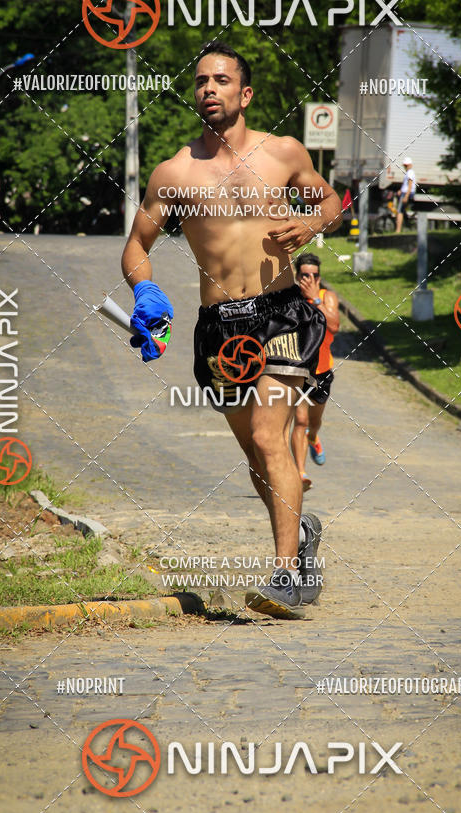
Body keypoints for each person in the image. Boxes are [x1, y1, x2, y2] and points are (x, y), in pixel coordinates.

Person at [121, 41, 341, 619]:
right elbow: (137, 246)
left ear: (245, 94)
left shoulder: (283, 152)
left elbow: (330, 200)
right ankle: (302, 534)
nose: (208, 89)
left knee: (270, 438)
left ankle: (285, 574)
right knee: (255, 455)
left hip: (282, 313)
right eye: (200, 81)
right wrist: (145, 292)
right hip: (221, 330)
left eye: (220, 80)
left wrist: (312, 223)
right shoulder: (175, 173)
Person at [291, 253, 340, 492]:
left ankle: (313, 438)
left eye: (314, 275)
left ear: (319, 277)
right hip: (298, 369)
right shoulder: (291, 299)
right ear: (297, 276)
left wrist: (315, 300)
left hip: (322, 370)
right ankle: (300, 473)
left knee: (314, 422)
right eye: (304, 275)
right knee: (300, 421)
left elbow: (334, 326)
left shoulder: (327, 297)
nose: (310, 280)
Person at [395, 156, 416, 233]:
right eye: (405, 165)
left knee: (399, 211)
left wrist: (406, 196)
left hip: (406, 194)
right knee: (402, 210)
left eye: (406, 165)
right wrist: (400, 191)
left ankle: (398, 230)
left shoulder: (410, 172)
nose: (405, 167)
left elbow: (410, 185)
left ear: (410, 165)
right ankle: (406, 225)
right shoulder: (408, 172)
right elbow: (406, 185)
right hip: (404, 193)